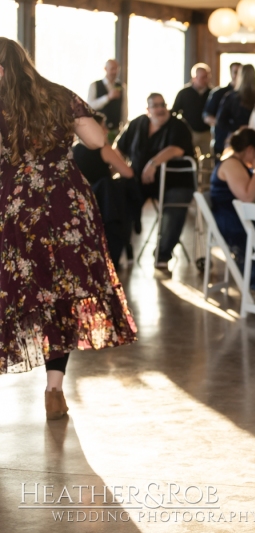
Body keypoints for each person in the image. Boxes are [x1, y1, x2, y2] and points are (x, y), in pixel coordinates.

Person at [0, 38, 137, 419]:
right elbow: (96, 140)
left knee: (13, 290)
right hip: (65, 205)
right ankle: (54, 389)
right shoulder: (57, 95)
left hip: (15, 207)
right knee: (61, 292)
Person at [115, 93, 195, 268]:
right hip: (139, 180)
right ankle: (119, 252)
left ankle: (163, 255)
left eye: (162, 105)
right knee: (118, 199)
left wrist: (153, 163)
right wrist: (122, 169)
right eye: (155, 106)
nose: (160, 109)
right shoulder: (137, 124)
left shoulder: (178, 125)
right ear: (148, 109)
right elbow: (118, 150)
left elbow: (175, 149)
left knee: (174, 207)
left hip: (176, 181)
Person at [209, 127, 255, 290]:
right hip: (232, 222)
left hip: (238, 219)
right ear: (251, 149)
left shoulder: (237, 163)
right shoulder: (231, 164)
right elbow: (248, 197)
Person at [72, 112, 135, 268]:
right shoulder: (103, 149)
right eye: (103, 126)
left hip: (80, 201)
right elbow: (128, 173)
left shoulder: (74, 149)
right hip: (103, 204)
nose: (106, 130)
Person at [215, 64, 255, 159]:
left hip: (247, 139)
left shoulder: (230, 97)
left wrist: (237, 128)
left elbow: (220, 121)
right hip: (244, 139)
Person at [172, 63, 212, 156]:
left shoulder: (212, 93)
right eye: (202, 77)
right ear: (194, 78)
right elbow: (175, 111)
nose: (205, 80)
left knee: (208, 160)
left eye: (207, 77)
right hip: (189, 132)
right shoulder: (184, 93)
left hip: (207, 132)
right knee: (189, 156)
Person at [204, 62, 241, 153]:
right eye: (235, 72)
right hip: (222, 140)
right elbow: (206, 116)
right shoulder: (218, 93)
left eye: (240, 72)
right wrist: (223, 123)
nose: (238, 75)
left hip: (242, 144)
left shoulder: (248, 96)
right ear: (231, 73)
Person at [88, 59, 127, 142]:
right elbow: (90, 106)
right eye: (112, 69)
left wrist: (124, 127)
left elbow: (124, 108)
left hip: (116, 130)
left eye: (117, 69)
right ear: (105, 69)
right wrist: (108, 97)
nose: (115, 72)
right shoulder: (94, 85)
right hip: (98, 129)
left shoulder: (122, 87)